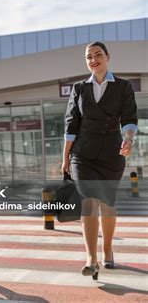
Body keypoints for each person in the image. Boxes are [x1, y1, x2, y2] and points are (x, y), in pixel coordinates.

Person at [61, 41, 138, 280]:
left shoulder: (123, 87)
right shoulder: (79, 88)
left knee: (107, 205)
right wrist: (65, 157)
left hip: (111, 154)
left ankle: (107, 249)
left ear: (107, 57)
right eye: (89, 57)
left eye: (98, 55)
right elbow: (70, 124)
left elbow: (129, 119)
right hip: (82, 153)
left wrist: (128, 140)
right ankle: (91, 258)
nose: (93, 60)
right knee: (88, 200)